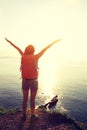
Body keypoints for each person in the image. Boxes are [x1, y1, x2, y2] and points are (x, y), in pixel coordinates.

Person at [5, 37, 61, 121]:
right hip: (34, 81)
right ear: (33, 50)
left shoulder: (23, 55)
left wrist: (9, 41)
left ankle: (23, 115)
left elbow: (16, 47)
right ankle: (32, 115)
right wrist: (55, 41)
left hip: (24, 80)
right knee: (32, 100)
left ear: (26, 50)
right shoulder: (36, 56)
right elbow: (46, 48)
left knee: (24, 99)